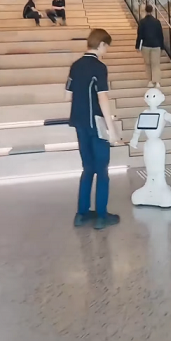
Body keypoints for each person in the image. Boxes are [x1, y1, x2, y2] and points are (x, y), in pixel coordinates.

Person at [65, 29, 122, 230]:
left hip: (79, 123)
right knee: (102, 170)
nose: (106, 51)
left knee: (87, 168)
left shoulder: (75, 65)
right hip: (96, 124)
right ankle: (101, 216)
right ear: (102, 44)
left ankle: (81, 214)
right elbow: (102, 98)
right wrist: (112, 129)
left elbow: (67, 95)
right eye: (107, 47)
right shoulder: (99, 67)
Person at [135, 3, 164, 88]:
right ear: (152, 11)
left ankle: (150, 81)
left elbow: (139, 35)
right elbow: (160, 35)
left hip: (146, 45)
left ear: (145, 11)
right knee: (156, 64)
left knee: (148, 64)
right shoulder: (157, 22)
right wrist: (162, 46)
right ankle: (157, 82)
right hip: (156, 45)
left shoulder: (142, 22)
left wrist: (137, 46)